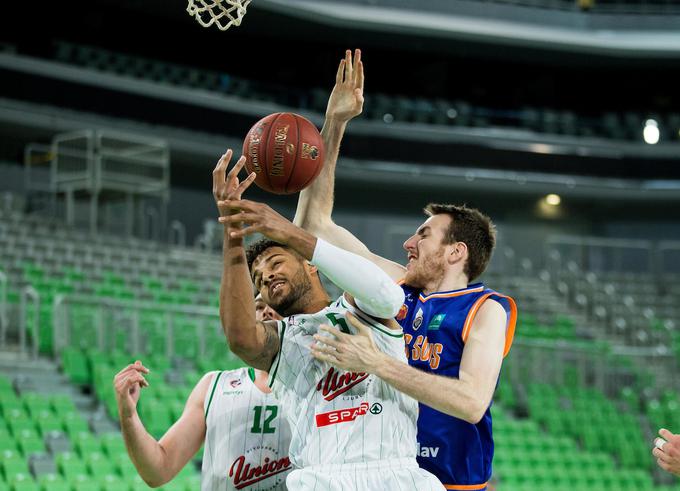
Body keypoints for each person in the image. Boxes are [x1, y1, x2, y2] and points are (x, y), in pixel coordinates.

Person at [294, 49, 517, 491]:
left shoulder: (485, 308)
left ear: (456, 253)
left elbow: (472, 403)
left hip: (454, 485)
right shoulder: (393, 287)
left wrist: (376, 363)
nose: (408, 244)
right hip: (389, 478)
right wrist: (334, 124)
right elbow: (313, 225)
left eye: (424, 235)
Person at [212, 153, 444, 488]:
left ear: (311, 264)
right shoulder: (280, 342)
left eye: (276, 262)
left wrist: (289, 232)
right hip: (322, 478)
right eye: (258, 278)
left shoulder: (357, 306)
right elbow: (240, 338)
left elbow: (389, 296)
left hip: (397, 473)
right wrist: (233, 232)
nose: (267, 275)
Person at [113, 294, 293, 490]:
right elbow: (158, 469)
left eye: (276, 305)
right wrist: (129, 415)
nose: (266, 311)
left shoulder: (317, 386)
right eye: (258, 306)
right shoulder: (214, 385)